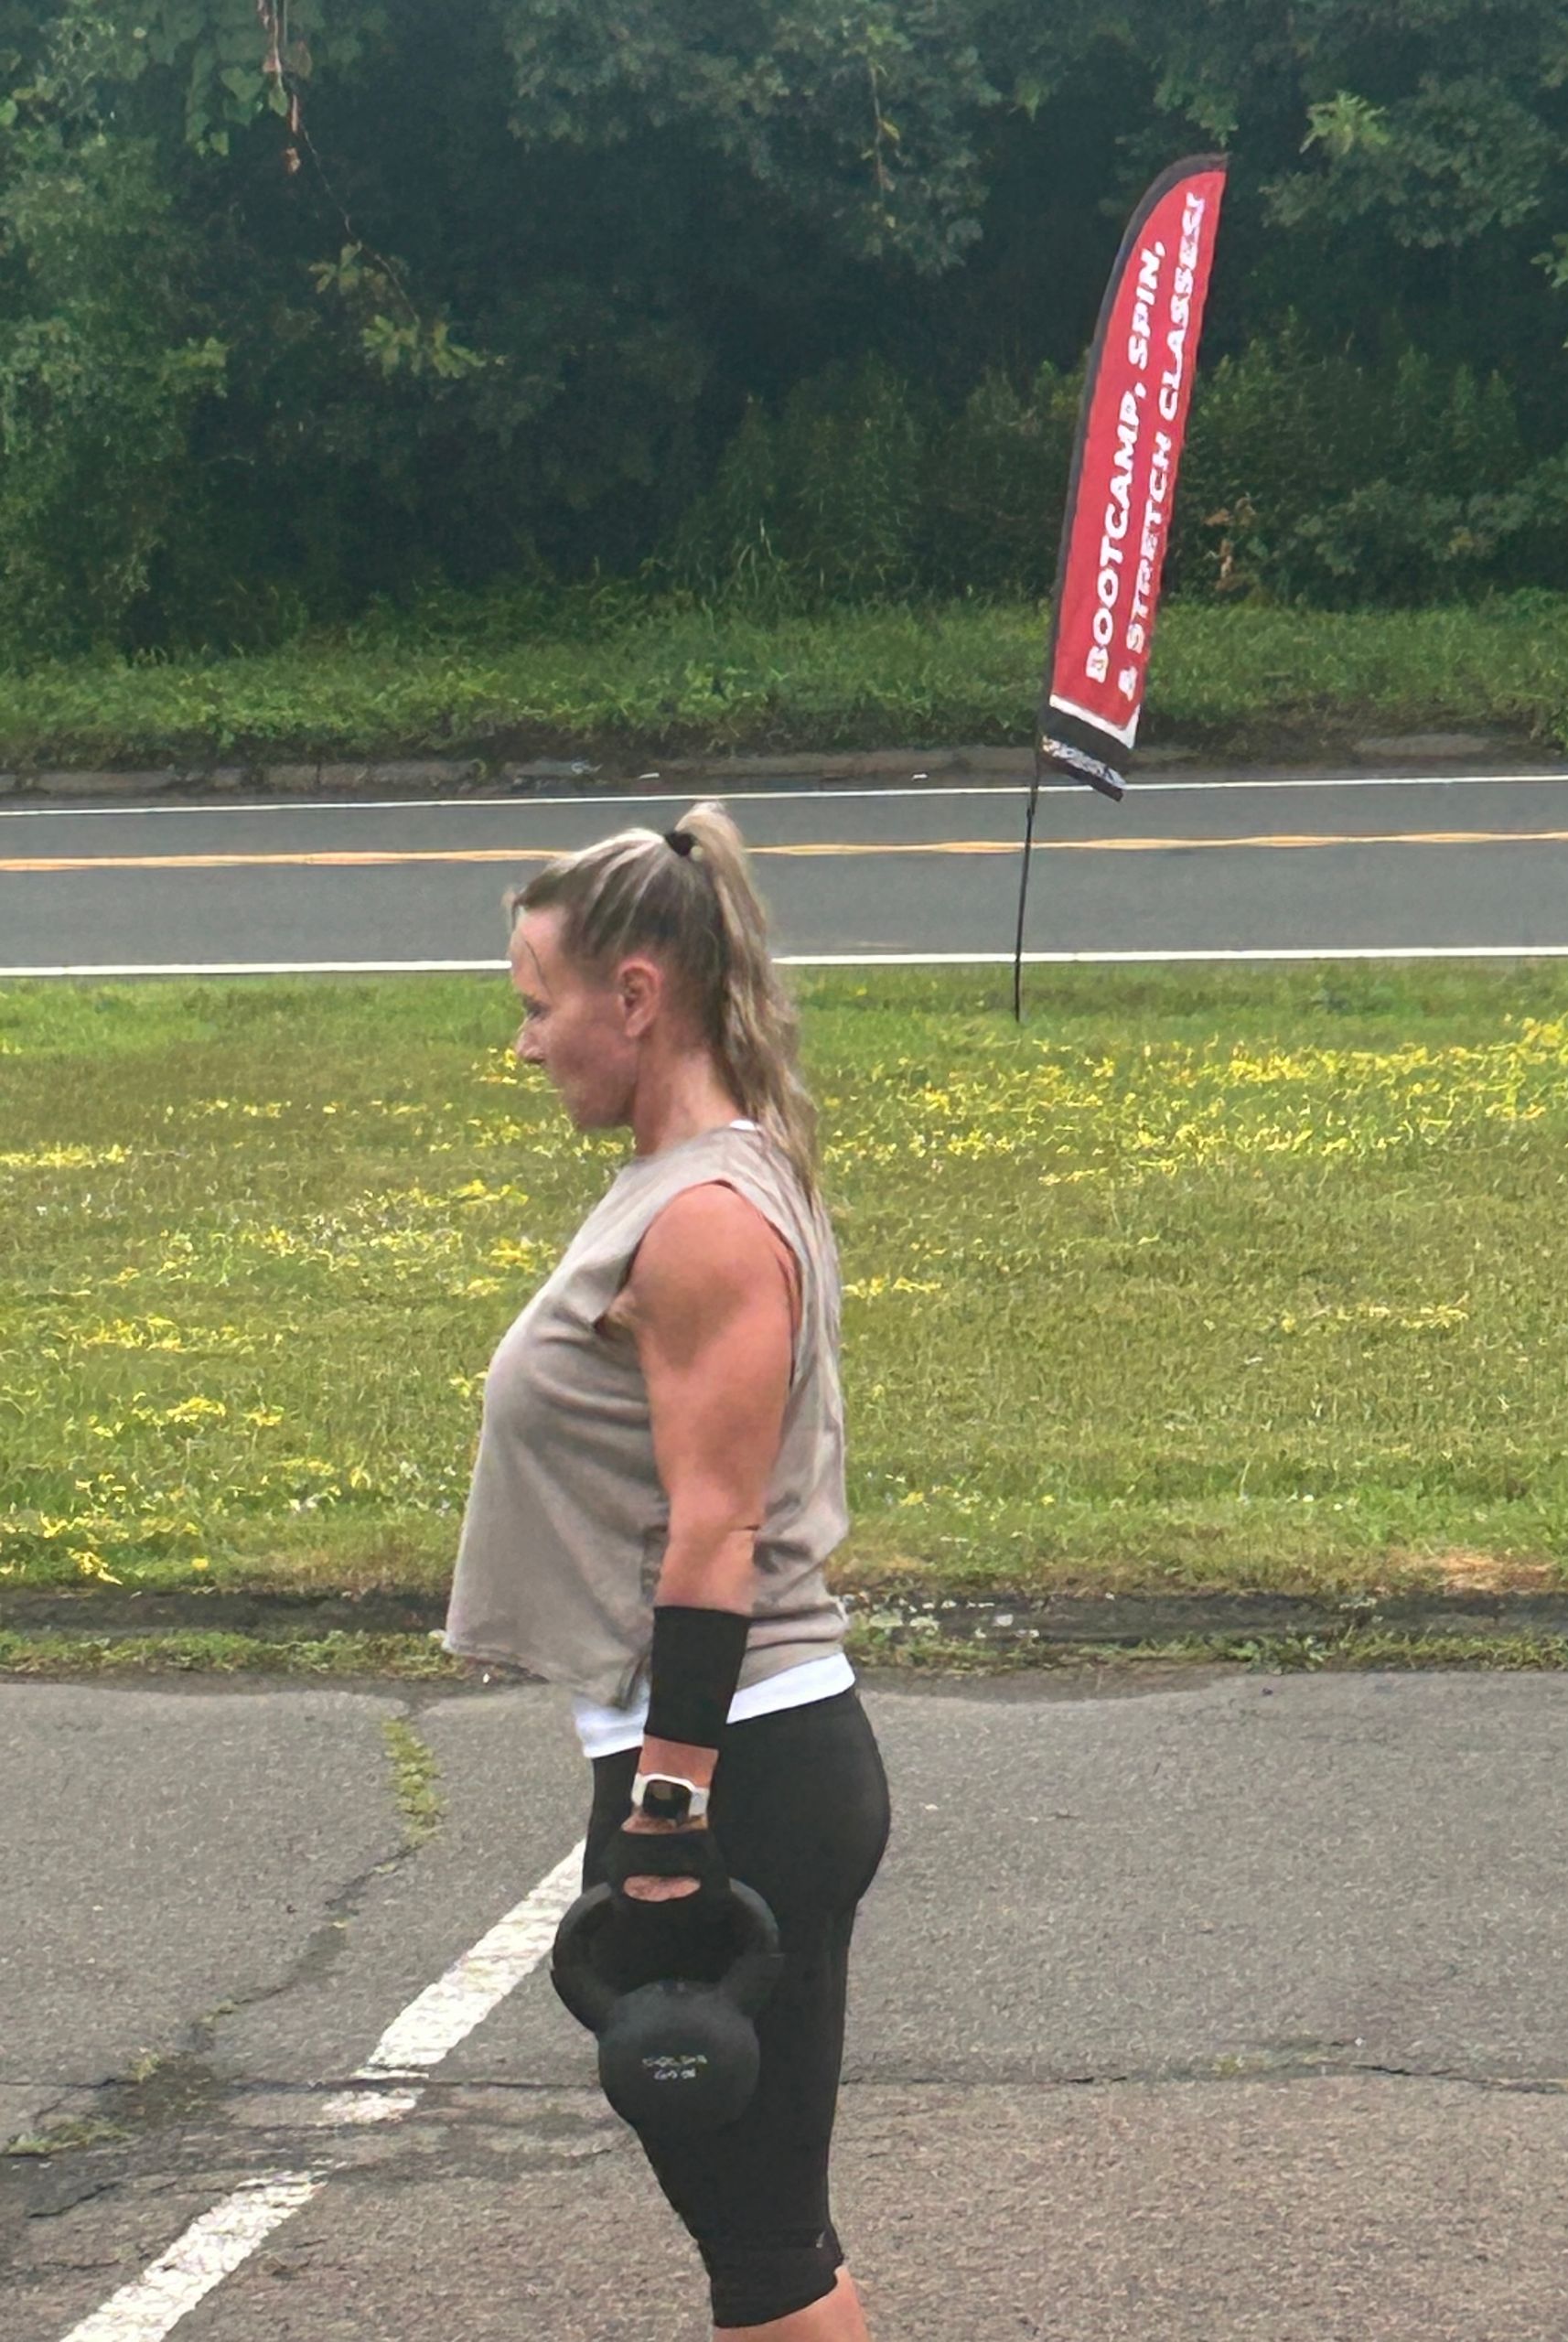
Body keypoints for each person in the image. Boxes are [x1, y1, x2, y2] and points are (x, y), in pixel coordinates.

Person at [445, 802, 890, 2339]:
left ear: (634, 997)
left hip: (736, 1765)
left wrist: (670, 1812)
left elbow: (716, 1531)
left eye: (537, 1005)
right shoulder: (688, 1176)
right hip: (722, 1755)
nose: (523, 1044)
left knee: (762, 2248)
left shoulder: (704, 1216)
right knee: (770, 2235)